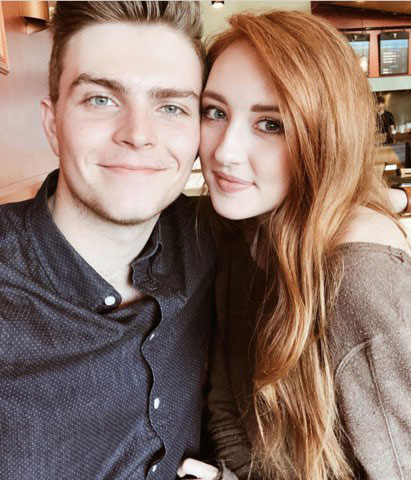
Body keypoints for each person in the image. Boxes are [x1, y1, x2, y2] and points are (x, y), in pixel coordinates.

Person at [178, 10, 411, 480]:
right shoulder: (241, 230)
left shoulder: (359, 278)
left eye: (271, 124)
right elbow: (231, 414)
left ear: (325, 138)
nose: (224, 151)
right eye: (215, 112)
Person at [0, 2, 216, 478]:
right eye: (101, 99)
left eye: (171, 107)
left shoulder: (211, 239)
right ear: (53, 123)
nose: (138, 135)